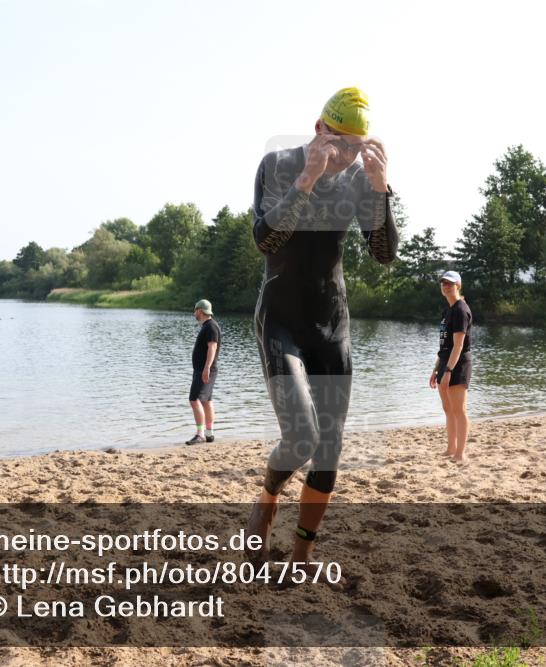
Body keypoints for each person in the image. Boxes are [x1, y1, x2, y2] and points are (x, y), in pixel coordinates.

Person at [245, 87, 398, 568]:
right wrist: (308, 179)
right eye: (338, 143)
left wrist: (379, 188)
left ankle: (303, 552)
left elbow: (384, 253)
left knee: (328, 450)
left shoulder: (359, 179)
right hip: (281, 321)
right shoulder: (278, 164)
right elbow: (265, 239)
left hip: (332, 324)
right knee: (302, 437)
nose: (346, 156)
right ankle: (267, 498)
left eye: (356, 147)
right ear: (318, 130)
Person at [429, 271, 473, 464]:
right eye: (443, 283)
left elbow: (458, 345)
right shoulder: (447, 310)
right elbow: (444, 346)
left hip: (458, 364)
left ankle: (460, 453)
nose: (446, 286)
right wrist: (436, 369)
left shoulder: (461, 310)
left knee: (459, 409)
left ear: (458, 285)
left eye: (450, 283)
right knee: (448, 408)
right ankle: (450, 448)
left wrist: (448, 371)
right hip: (445, 362)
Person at [185, 299, 221, 445]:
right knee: (206, 401)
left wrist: (206, 368)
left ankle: (200, 434)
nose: (194, 313)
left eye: (195, 310)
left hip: (205, 370)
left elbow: (212, 348)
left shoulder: (211, 327)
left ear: (200, 310)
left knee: (194, 400)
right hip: (205, 369)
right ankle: (209, 433)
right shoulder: (208, 326)